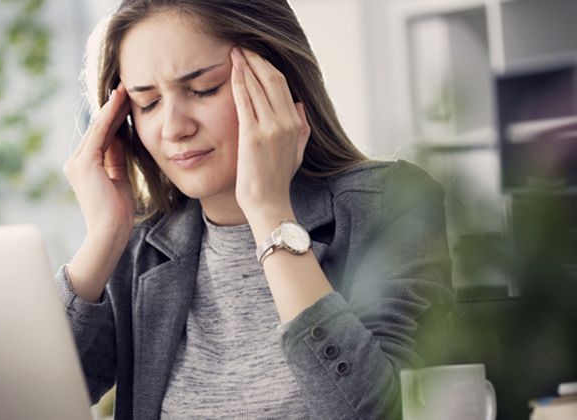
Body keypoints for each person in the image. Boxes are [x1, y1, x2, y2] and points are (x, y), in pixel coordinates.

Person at [58, 0, 453, 418]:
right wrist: (104, 235)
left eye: (204, 88)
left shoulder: (390, 204)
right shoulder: (140, 249)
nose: (174, 127)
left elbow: (381, 411)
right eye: (148, 103)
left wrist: (270, 214)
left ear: (278, 81)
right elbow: (27, 396)